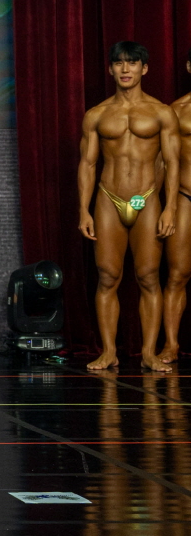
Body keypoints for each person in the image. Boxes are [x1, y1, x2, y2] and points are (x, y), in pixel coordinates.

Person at [78, 41, 178, 373]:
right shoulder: (97, 115)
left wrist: (170, 208)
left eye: (132, 63)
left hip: (146, 199)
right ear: (110, 69)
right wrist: (83, 210)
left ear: (144, 69)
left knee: (148, 276)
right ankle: (109, 352)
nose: (125, 69)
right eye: (119, 63)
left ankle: (149, 353)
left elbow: (173, 163)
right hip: (109, 198)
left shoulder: (161, 112)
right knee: (107, 276)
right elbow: (87, 164)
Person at [166, 48, 191, 365]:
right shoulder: (175, 111)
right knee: (178, 273)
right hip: (185, 196)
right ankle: (171, 344)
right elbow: (163, 162)